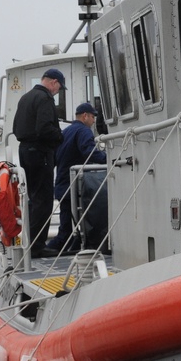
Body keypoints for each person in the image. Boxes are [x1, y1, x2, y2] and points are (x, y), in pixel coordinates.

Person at [12, 68, 65, 257]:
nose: (58, 92)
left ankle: (30, 242)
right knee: (43, 200)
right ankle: (37, 246)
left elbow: (15, 127)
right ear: (53, 82)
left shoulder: (25, 98)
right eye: (59, 87)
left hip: (25, 151)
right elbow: (44, 128)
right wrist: (60, 137)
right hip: (40, 153)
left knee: (33, 199)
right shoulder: (44, 99)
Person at [46, 102, 106, 254]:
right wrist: (109, 158)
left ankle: (67, 247)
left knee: (68, 225)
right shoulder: (84, 131)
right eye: (92, 117)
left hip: (62, 184)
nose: (93, 121)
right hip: (73, 186)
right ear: (85, 116)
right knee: (69, 229)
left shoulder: (66, 132)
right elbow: (89, 152)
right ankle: (53, 249)